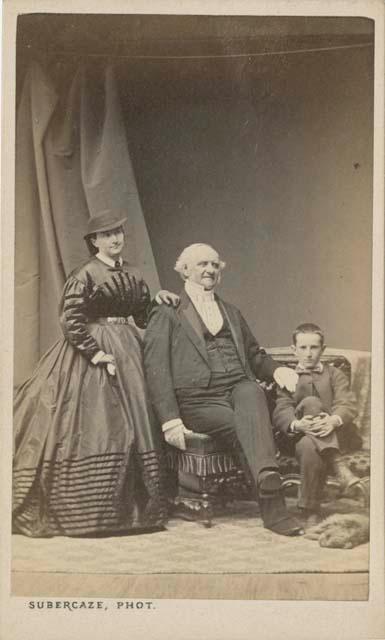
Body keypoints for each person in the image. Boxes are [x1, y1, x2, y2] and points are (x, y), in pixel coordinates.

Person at [13, 210, 179, 537]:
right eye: (106, 234)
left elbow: (143, 317)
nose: (115, 238)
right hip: (91, 351)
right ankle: (94, 509)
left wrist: (158, 300)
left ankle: (141, 506)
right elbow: (71, 320)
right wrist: (98, 354)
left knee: (139, 419)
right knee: (99, 422)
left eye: (117, 232)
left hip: (130, 348)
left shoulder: (133, 271)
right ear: (94, 241)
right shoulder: (85, 273)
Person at [143, 243, 304, 537]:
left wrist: (277, 369)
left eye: (215, 265)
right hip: (198, 400)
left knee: (253, 392)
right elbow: (156, 369)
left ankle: (267, 475)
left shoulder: (231, 311)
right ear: (185, 271)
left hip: (236, 386)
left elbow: (254, 354)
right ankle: (274, 506)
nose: (210, 270)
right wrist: (169, 419)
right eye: (203, 264)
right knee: (242, 425)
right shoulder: (167, 311)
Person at [272, 323, 361, 528]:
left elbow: (346, 403)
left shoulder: (335, 374)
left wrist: (332, 420)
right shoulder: (289, 378)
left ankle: (309, 510)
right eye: (303, 348)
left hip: (336, 435)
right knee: (309, 420)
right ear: (293, 349)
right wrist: (298, 424)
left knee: (309, 442)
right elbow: (282, 409)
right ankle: (338, 466)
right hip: (299, 435)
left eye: (314, 347)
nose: (309, 353)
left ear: (323, 349)